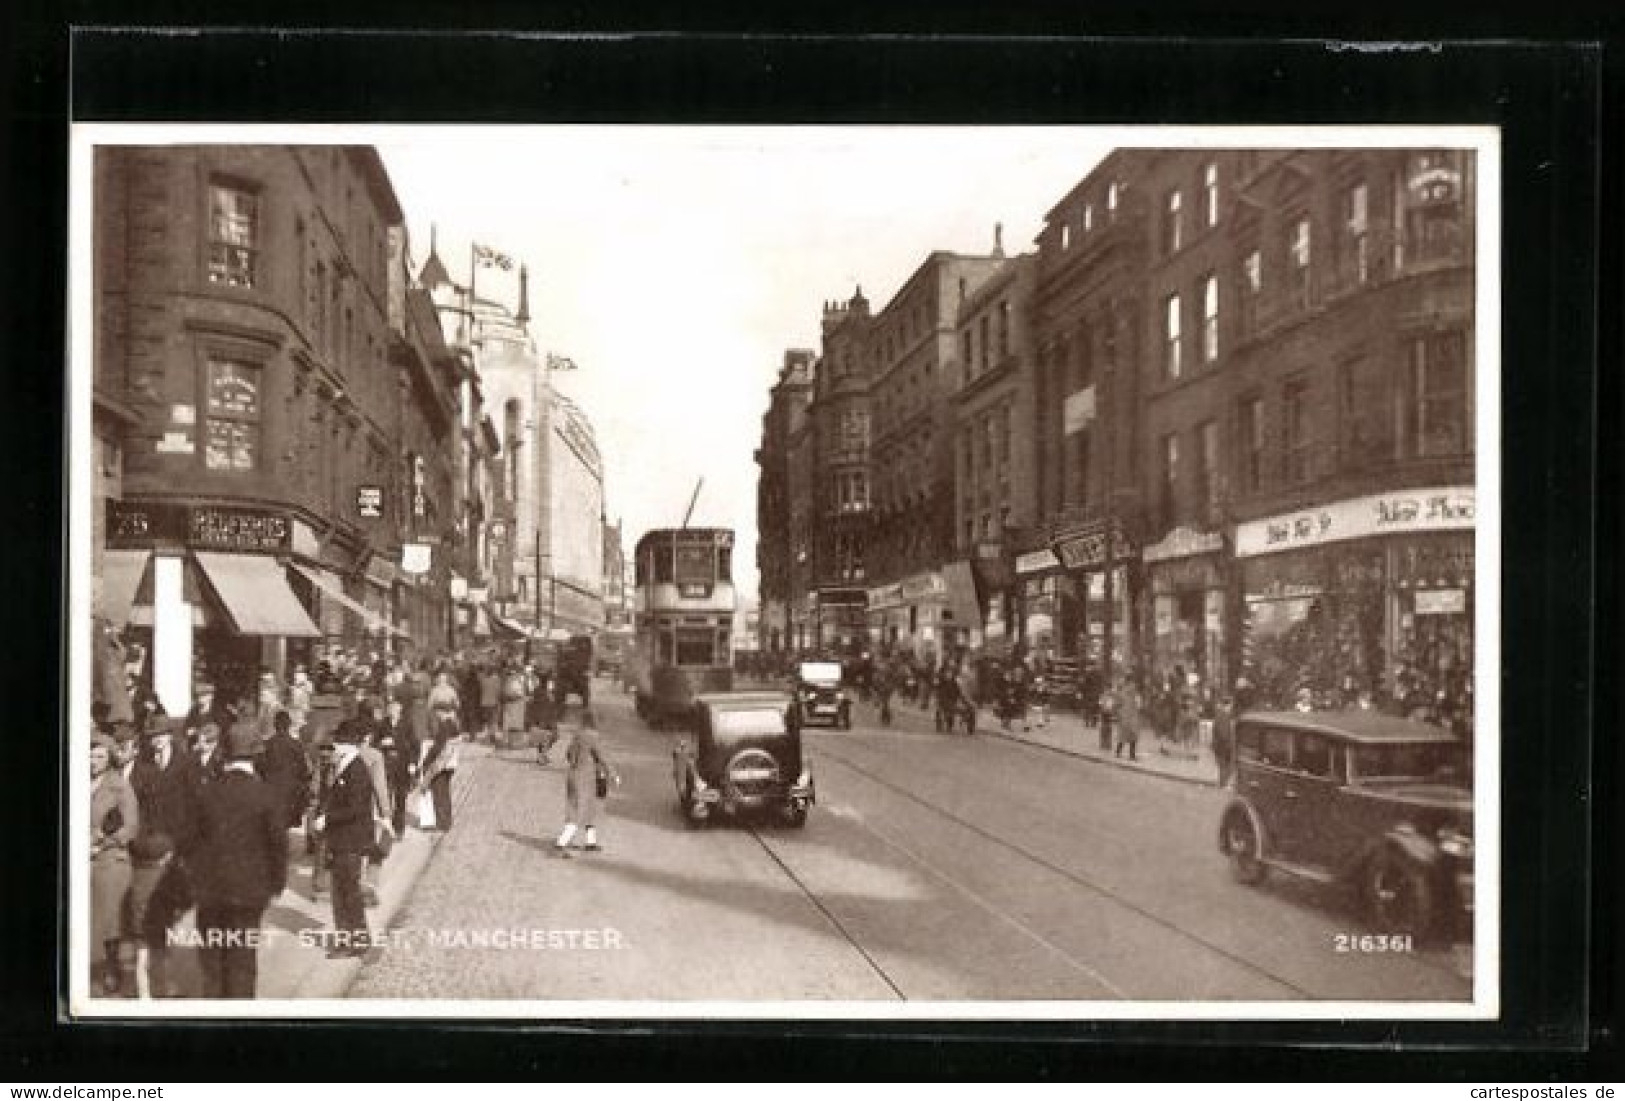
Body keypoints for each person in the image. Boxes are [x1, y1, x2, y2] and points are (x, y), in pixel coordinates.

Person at [188, 724, 288, 997]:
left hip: (210, 892)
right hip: (250, 892)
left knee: (212, 963)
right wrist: (277, 884)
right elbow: (278, 844)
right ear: (256, 756)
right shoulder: (266, 794)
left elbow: (190, 843)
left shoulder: (205, 792)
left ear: (225, 754)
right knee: (242, 962)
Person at [312, 721, 374, 958]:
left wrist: (327, 819)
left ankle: (354, 941)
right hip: (342, 839)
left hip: (350, 840)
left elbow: (355, 809)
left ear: (346, 745)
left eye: (337, 742)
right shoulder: (345, 766)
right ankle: (350, 939)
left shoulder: (356, 770)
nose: (333, 746)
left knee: (347, 891)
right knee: (342, 891)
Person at [91, 732, 139, 995]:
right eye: (89, 755)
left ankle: (112, 969)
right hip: (87, 859)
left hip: (111, 860)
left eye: (99, 756)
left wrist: (105, 840)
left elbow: (131, 827)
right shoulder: (79, 783)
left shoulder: (119, 786)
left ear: (109, 758)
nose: (93, 761)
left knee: (110, 920)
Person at [554, 707, 619, 857]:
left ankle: (591, 842)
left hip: (573, 775)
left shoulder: (577, 735)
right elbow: (603, 757)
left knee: (587, 808)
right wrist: (613, 775)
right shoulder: (592, 736)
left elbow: (569, 754)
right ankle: (561, 842)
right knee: (577, 810)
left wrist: (577, 761)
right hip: (585, 778)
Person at [259, 709, 312, 833]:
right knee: (285, 825)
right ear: (289, 725)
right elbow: (303, 770)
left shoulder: (267, 745)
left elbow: (260, 767)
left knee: (273, 824)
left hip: (271, 789)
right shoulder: (296, 745)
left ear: (275, 725)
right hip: (291, 791)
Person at [418, 713, 461, 831]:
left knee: (439, 793)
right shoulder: (454, 724)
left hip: (441, 765)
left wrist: (426, 760)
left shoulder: (445, 726)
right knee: (445, 793)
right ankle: (447, 822)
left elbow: (438, 747)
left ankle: (442, 824)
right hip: (451, 764)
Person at [1213, 695, 1237, 788]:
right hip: (1222, 747)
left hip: (1222, 746)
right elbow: (1223, 734)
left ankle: (1222, 784)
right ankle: (1223, 785)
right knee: (1225, 767)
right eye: (1230, 705)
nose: (1231, 708)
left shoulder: (1223, 716)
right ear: (1227, 705)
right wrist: (1229, 746)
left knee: (1225, 767)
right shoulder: (1223, 716)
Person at [478, 662, 501, 743]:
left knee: (486, 721)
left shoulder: (483, 680)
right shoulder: (497, 680)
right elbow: (499, 691)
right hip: (494, 702)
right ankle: (492, 736)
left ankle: (487, 737)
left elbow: (481, 690)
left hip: (484, 702)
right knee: (493, 720)